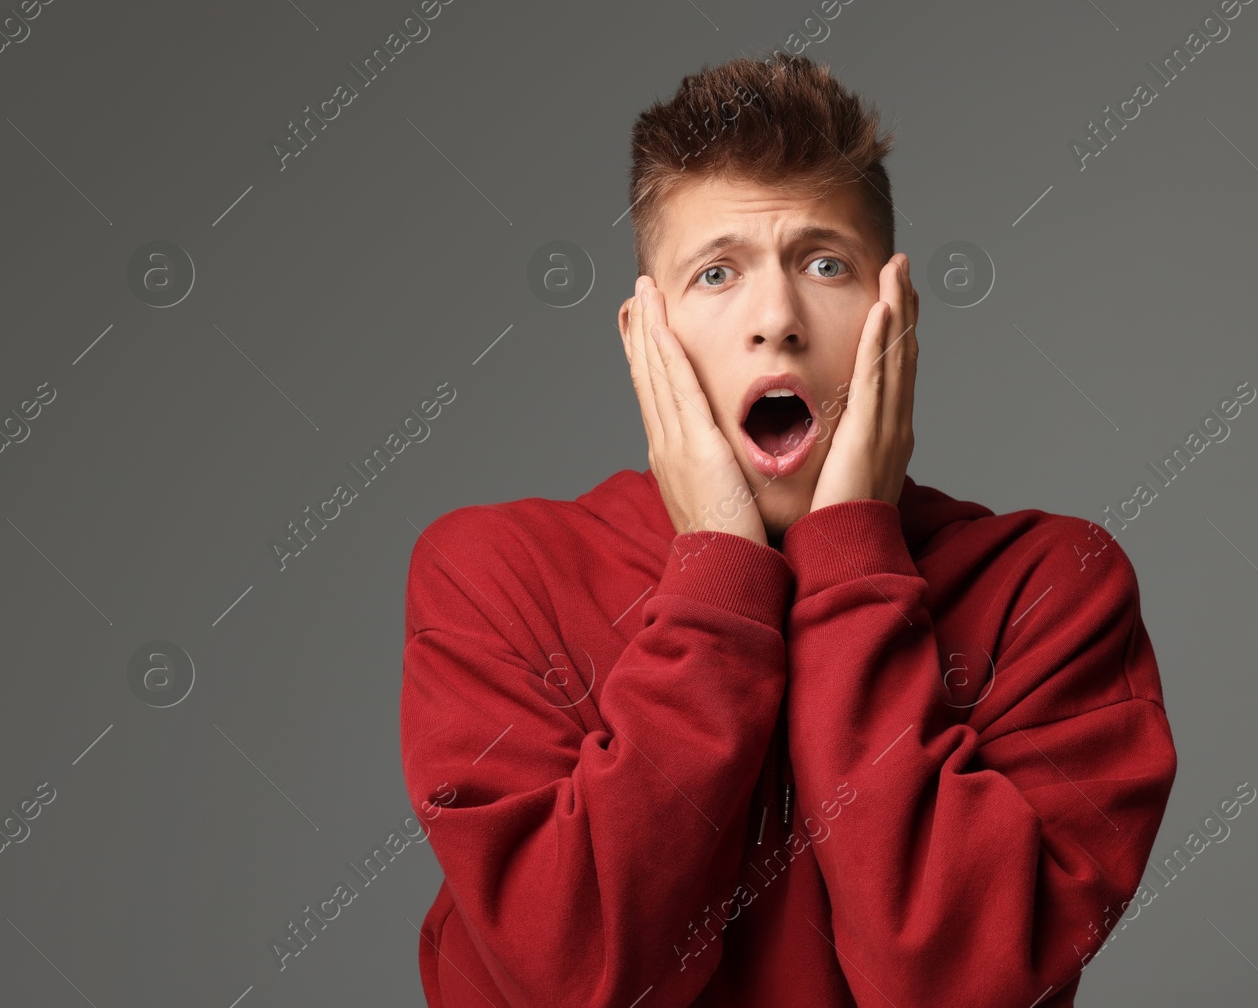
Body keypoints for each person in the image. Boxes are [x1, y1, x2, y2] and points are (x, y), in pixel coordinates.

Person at [400, 52, 1177, 1007]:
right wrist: (720, 573)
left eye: (825, 263)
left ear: (895, 320)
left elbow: (949, 985)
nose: (777, 318)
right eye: (717, 272)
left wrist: (852, 551)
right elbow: (584, 977)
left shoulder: (1052, 587)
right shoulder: (494, 575)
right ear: (648, 336)